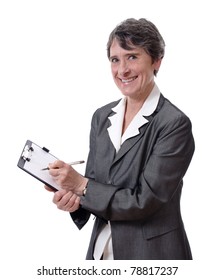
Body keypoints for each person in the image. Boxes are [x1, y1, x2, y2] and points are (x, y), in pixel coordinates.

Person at [45, 18, 195, 260]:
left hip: (153, 257)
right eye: (115, 59)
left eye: (132, 57)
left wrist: (81, 186)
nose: (122, 70)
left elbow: (145, 200)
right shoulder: (101, 117)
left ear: (157, 61)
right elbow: (94, 185)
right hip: (101, 253)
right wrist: (72, 196)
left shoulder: (174, 124)